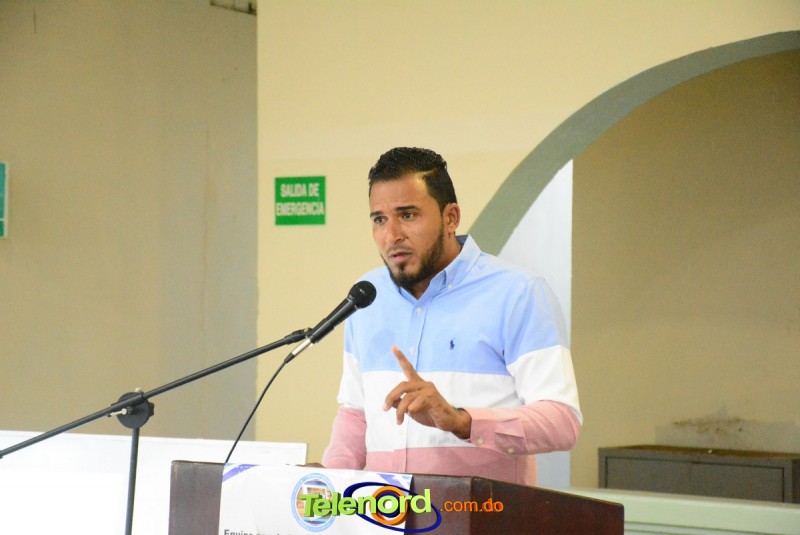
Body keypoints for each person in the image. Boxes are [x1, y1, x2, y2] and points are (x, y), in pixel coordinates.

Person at [321, 147, 581, 486]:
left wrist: (462, 422)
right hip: (383, 509)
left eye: (408, 215)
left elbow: (562, 421)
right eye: (379, 219)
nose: (392, 235)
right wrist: (329, 483)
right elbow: (355, 415)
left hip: (483, 512)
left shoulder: (517, 292)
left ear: (451, 217)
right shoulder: (367, 296)